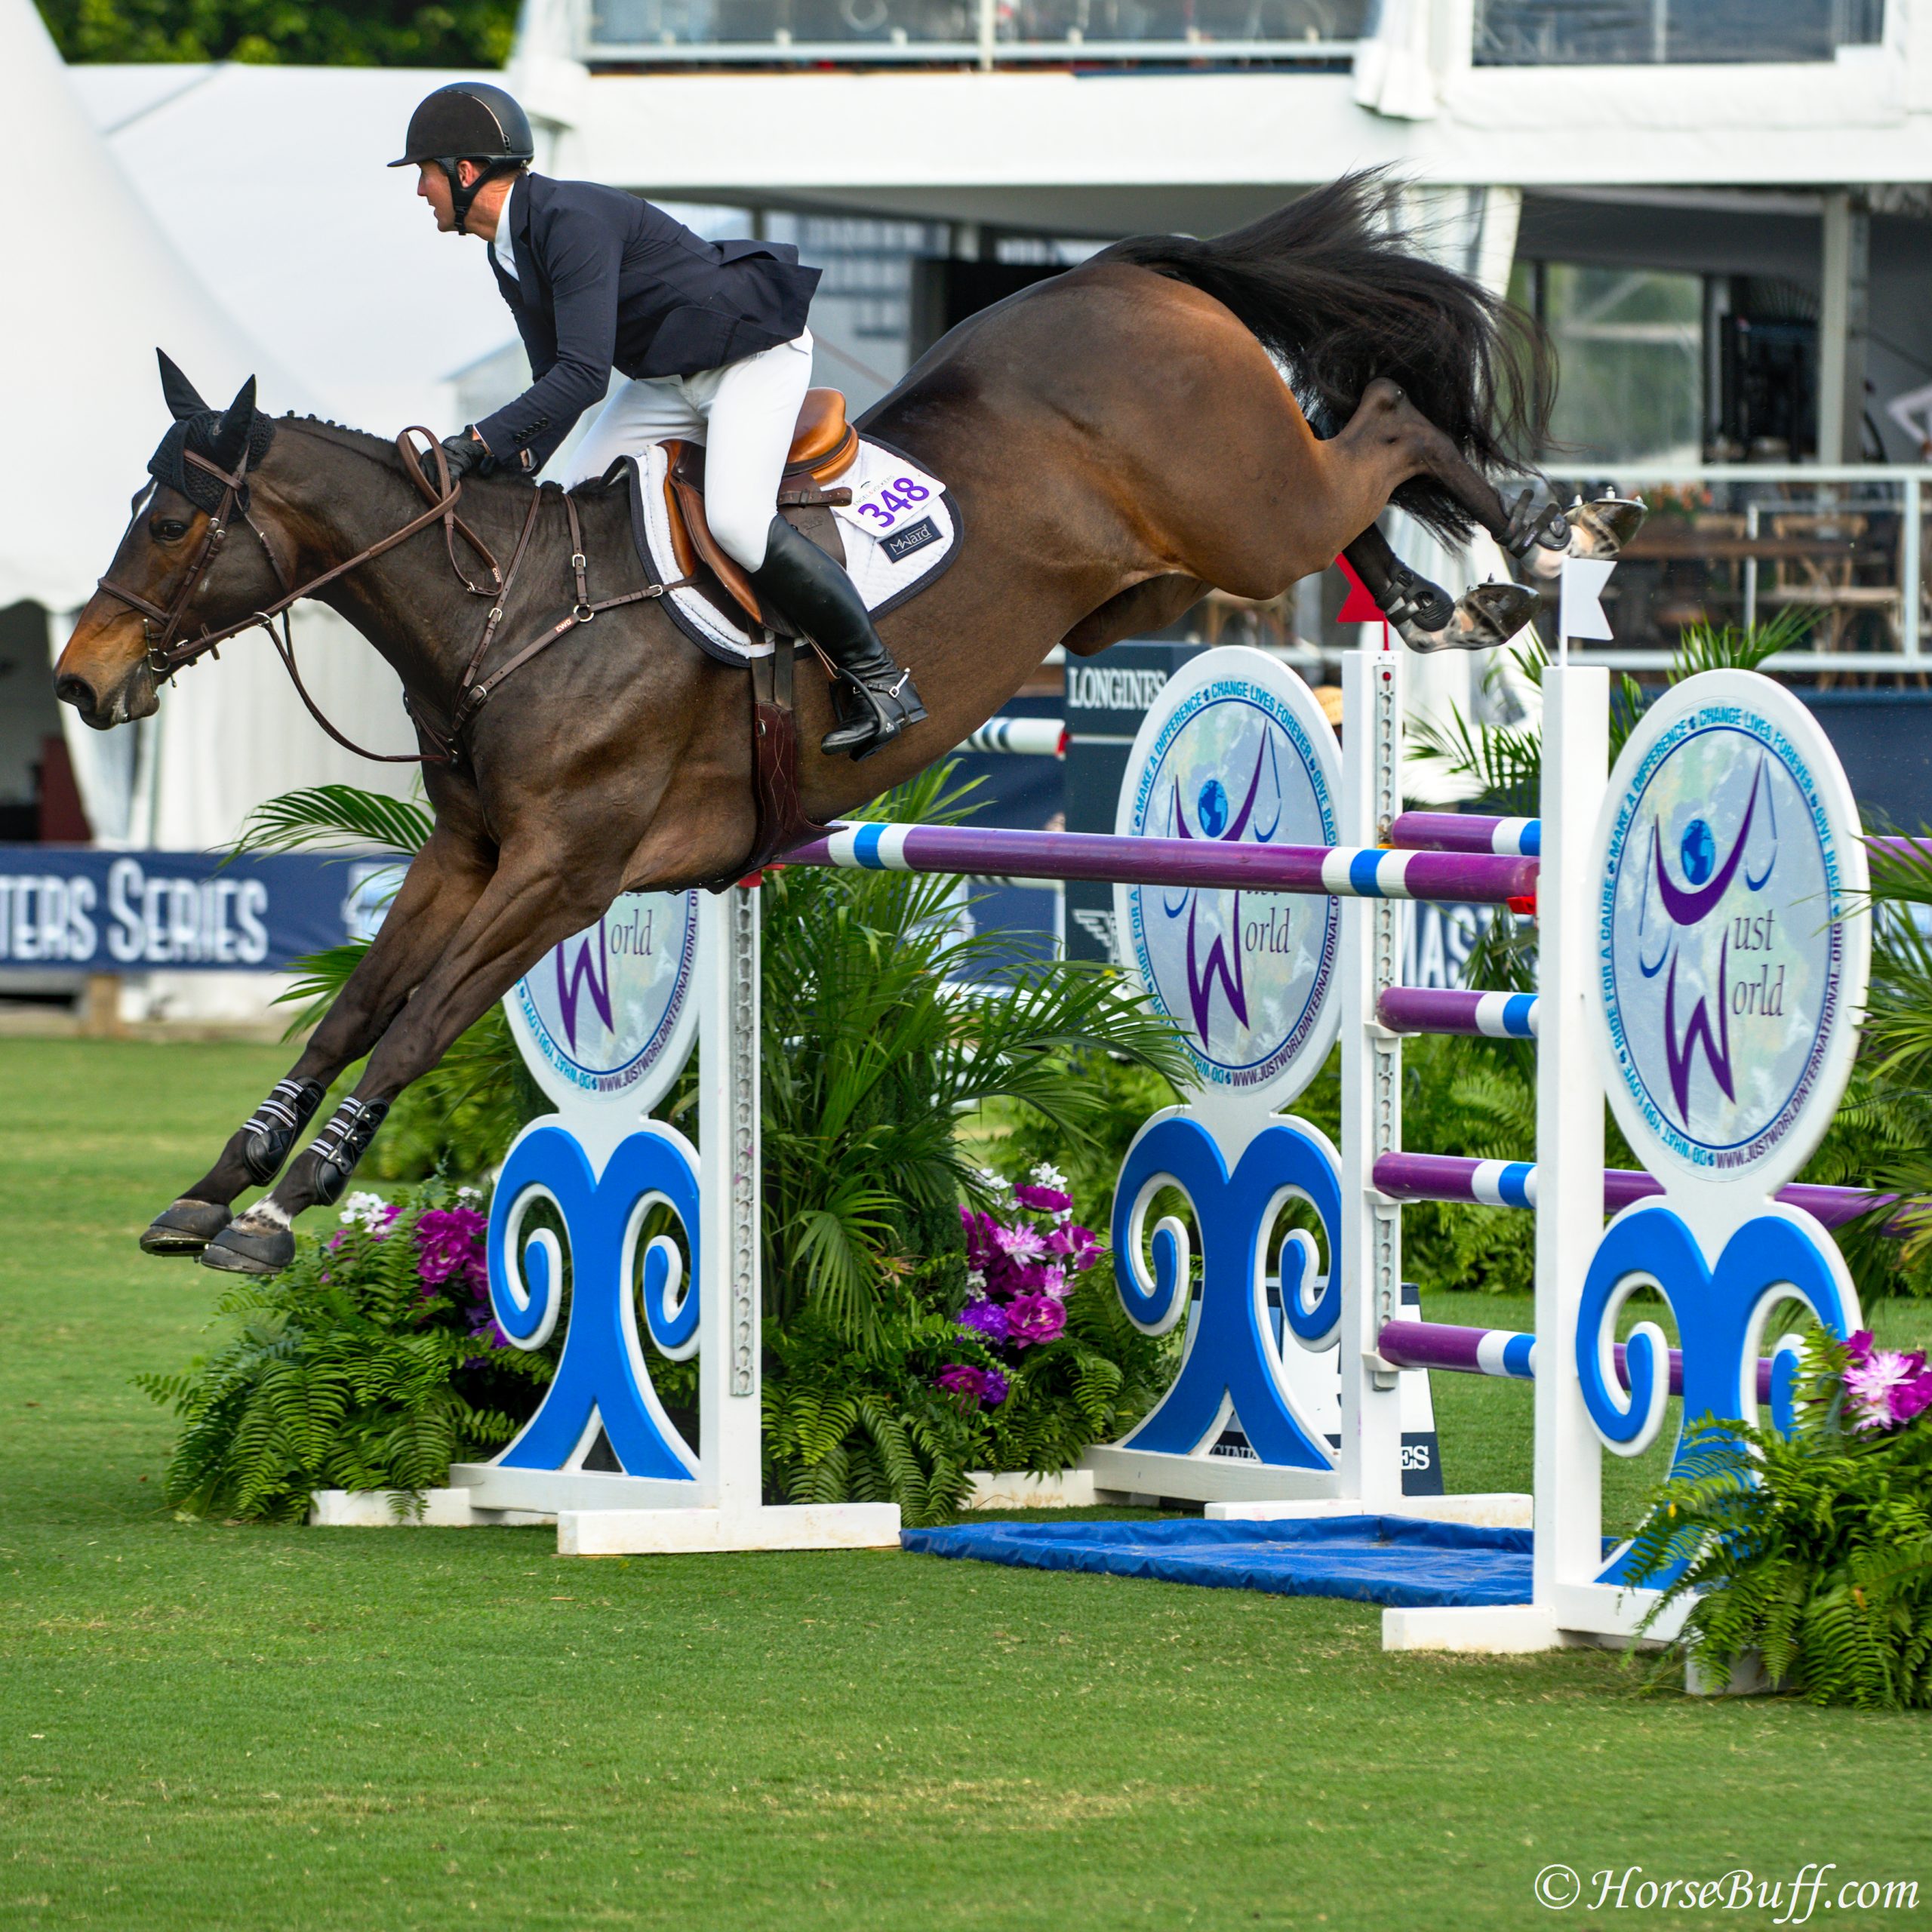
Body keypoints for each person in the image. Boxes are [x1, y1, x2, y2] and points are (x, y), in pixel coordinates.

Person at [392, 81, 924, 758]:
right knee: (575, 504)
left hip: (750, 358)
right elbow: (555, 382)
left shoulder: (568, 220)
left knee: (736, 518)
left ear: (465, 173)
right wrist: (503, 466)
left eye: (424, 175)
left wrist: (474, 442)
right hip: (671, 379)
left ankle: (880, 678)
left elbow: (585, 374)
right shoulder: (507, 250)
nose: (420, 193)